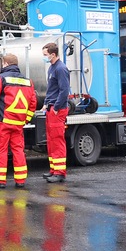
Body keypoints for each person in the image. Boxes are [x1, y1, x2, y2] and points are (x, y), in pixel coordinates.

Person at [0, 53, 37, 189]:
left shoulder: (0, 78)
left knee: (0, 150)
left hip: (3, 121)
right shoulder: (28, 81)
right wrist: (26, 119)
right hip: (18, 123)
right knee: (18, 150)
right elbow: (33, 103)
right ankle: (20, 180)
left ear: (5, 64)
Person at [41, 42, 70, 183]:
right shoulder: (52, 68)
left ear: (53, 54)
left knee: (57, 140)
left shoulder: (61, 68)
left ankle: (60, 172)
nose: (44, 57)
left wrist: (57, 108)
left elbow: (64, 90)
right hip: (51, 108)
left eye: (45, 55)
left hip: (57, 110)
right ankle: (53, 169)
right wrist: (46, 104)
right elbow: (51, 89)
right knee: (51, 140)